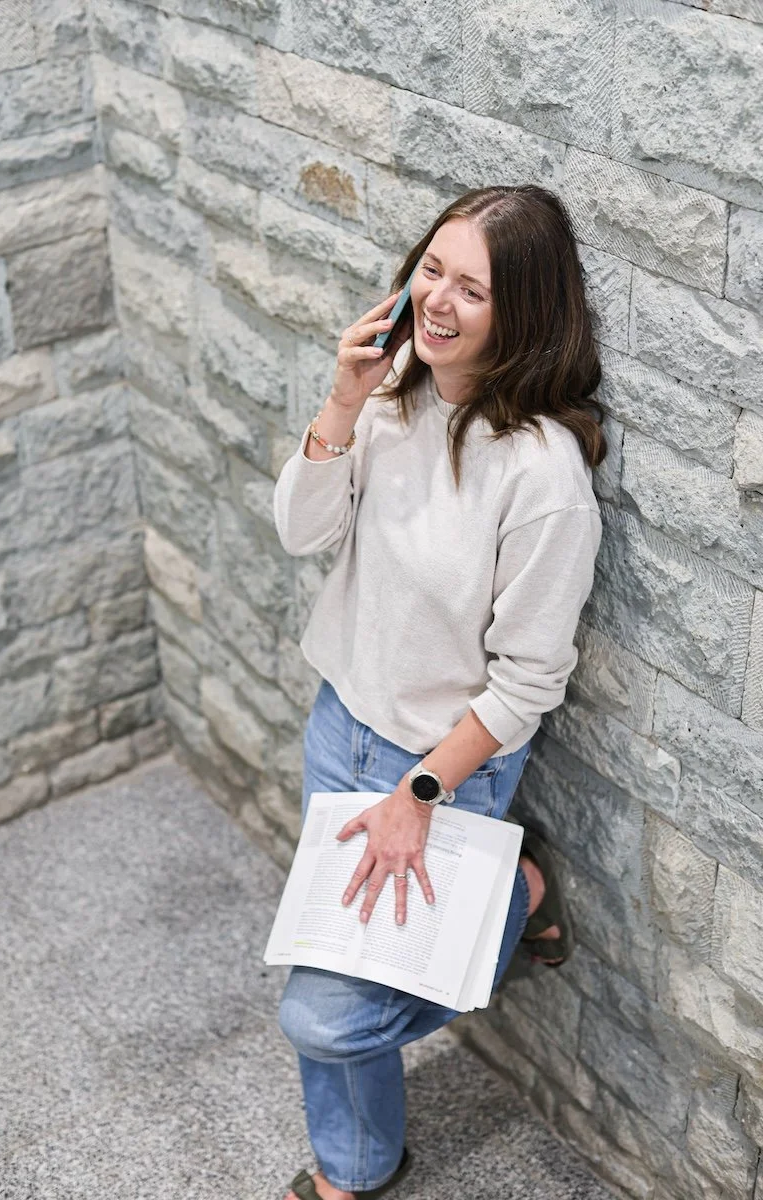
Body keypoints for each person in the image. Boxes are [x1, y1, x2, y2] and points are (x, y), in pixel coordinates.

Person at [272, 184, 606, 1200]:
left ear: (525, 315)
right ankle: (354, 1171)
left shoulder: (541, 477)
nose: (438, 302)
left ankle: (508, 893)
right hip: (340, 731)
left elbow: (527, 683)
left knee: (322, 1014)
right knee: (331, 967)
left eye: (474, 289)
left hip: (440, 769)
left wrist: (419, 795)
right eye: (432, 271)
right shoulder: (390, 394)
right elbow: (299, 531)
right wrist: (341, 400)